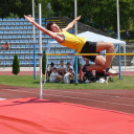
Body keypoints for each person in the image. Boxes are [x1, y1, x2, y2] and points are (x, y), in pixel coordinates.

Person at [24, 15, 119, 76]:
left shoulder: (63, 31)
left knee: (104, 63)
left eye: (56, 25)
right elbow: (45, 31)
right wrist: (33, 22)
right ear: (52, 30)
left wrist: (75, 19)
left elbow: (69, 25)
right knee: (110, 46)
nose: (56, 26)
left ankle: (87, 68)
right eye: (54, 27)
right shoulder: (58, 37)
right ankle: (108, 69)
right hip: (85, 46)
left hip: (84, 49)